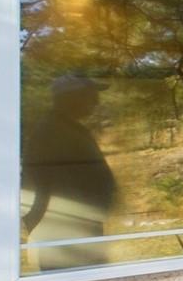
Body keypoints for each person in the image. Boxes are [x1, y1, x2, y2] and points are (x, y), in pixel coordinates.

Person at [21, 74, 115, 270]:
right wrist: (34, 223)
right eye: (91, 96)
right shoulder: (51, 132)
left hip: (80, 227)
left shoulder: (67, 129)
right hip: (66, 232)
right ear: (73, 98)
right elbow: (35, 182)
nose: (96, 102)